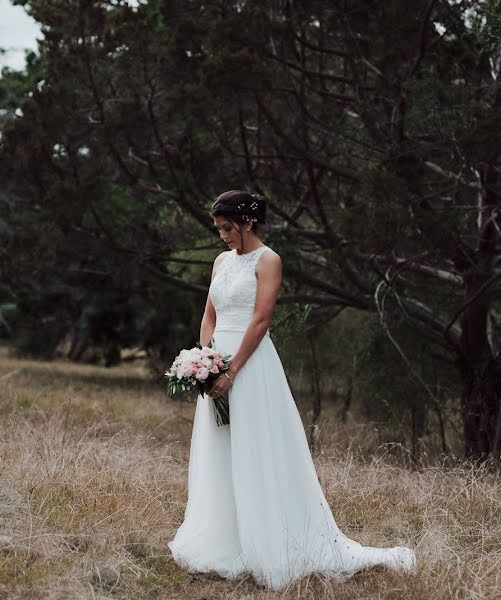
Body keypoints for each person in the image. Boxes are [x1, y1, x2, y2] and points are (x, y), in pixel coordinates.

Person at [168, 190, 416, 590]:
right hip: (217, 364)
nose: (222, 237)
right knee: (221, 448)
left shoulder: (268, 261)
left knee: (255, 447)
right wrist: (206, 363)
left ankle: (269, 540)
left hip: (250, 364)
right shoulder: (219, 261)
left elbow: (262, 319)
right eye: (218, 230)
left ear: (248, 223)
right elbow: (209, 314)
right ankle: (225, 541)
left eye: (227, 228)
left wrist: (232, 371)